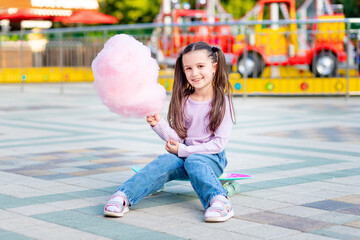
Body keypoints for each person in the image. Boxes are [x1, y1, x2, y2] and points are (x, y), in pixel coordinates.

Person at [104, 41, 235, 222]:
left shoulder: (223, 103)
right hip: (185, 156)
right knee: (164, 161)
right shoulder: (184, 100)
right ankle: (123, 196)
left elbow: (218, 144)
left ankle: (219, 200)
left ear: (214, 67)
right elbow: (179, 139)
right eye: (188, 68)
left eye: (200, 66)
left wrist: (184, 151)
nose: (194, 73)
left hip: (211, 159)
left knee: (195, 161)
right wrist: (159, 125)